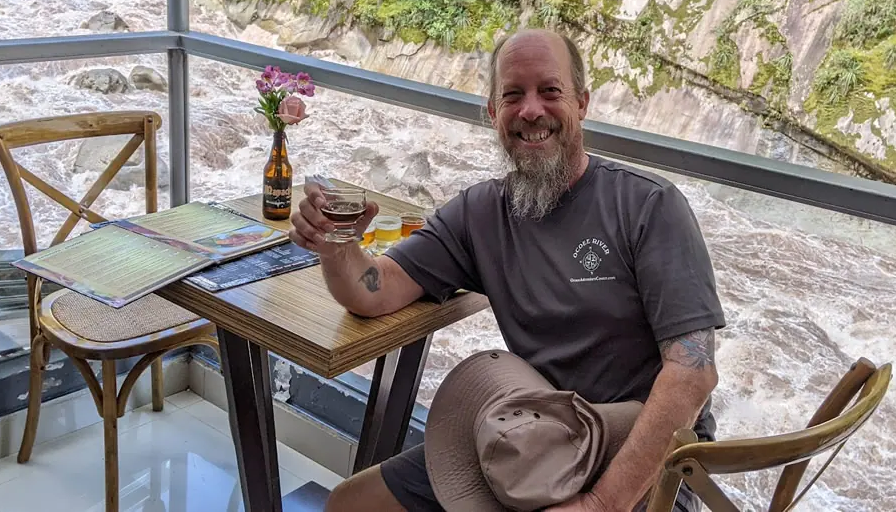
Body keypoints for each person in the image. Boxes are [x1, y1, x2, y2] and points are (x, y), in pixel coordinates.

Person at [289, 29, 725, 512]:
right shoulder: (481, 213)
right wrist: (337, 245)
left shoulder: (648, 205)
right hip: (533, 445)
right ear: (493, 112)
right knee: (350, 505)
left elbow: (693, 375)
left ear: (582, 104)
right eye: (513, 95)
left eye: (550, 91)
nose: (531, 110)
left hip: (642, 463)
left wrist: (601, 504)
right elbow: (375, 290)